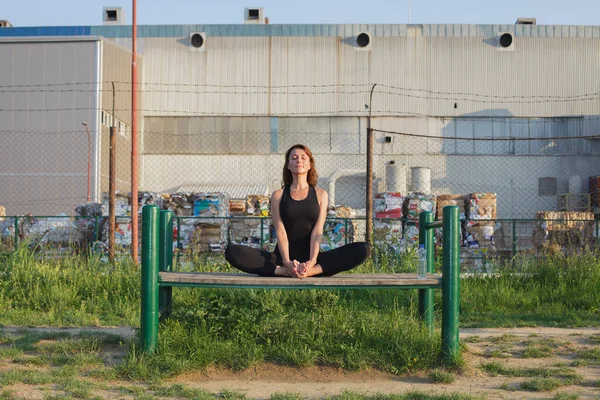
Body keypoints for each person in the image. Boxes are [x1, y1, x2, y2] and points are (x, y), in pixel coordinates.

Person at [225, 144, 370, 278]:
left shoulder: (321, 195)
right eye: (294, 158)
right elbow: (280, 231)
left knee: (362, 249)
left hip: (313, 258)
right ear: (288, 165)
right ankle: (283, 272)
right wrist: (287, 262)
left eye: (303, 157)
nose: (298, 160)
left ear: (310, 164)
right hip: (282, 257)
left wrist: (312, 262)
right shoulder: (278, 195)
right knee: (232, 251)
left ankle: (311, 272)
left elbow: (317, 231)